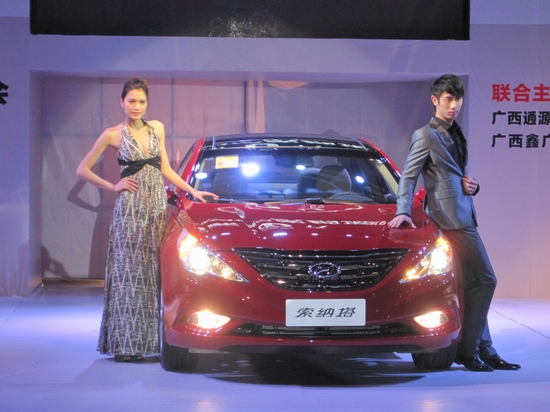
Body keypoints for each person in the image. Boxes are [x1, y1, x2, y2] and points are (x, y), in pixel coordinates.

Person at [76, 77, 217, 362]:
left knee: (153, 274)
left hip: (156, 208)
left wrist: (192, 190)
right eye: (131, 101)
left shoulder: (157, 128)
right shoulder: (112, 134)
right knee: (128, 276)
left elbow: (165, 168)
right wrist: (113, 186)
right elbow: (82, 169)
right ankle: (126, 346)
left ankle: (152, 342)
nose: (137, 106)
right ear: (122, 102)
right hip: (129, 210)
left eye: (141, 101)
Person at [387, 74, 520, 372]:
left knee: (473, 283)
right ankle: (468, 351)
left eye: (458, 99)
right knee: (485, 279)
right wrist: (403, 210)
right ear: (435, 100)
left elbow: (454, 176)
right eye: (448, 99)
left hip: (462, 212)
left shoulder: (456, 132)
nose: (454, 105)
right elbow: (408, 176)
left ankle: (484, 349)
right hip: (448, 220)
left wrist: (473, 186)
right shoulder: (426, 135)